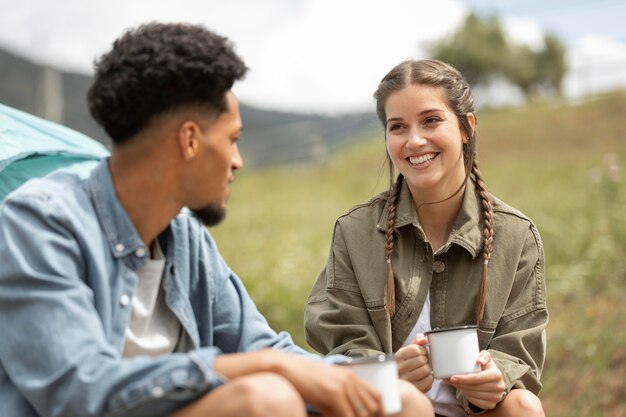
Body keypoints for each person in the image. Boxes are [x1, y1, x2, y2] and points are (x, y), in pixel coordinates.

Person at [0, 23, 433, 417]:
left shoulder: (184, 236)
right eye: (231, 140)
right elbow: (78, 391)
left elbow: (259, 346)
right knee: (265, 400)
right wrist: (259, 367)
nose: (238, 161)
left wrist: (377, 372)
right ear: (189, 140)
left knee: (400, 402)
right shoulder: (39, 222)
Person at [304, 59, 547, 417]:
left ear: (467, 127)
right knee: (411, 406)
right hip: (389, 409)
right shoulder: (355, 232)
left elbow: (519, 350)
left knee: (523, 406)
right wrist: (387, 373)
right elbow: (342, 341)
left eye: (431, 121)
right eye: (398, 127)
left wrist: (498, 376)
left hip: (475, 412)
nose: (414, 141)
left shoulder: (516, 236)